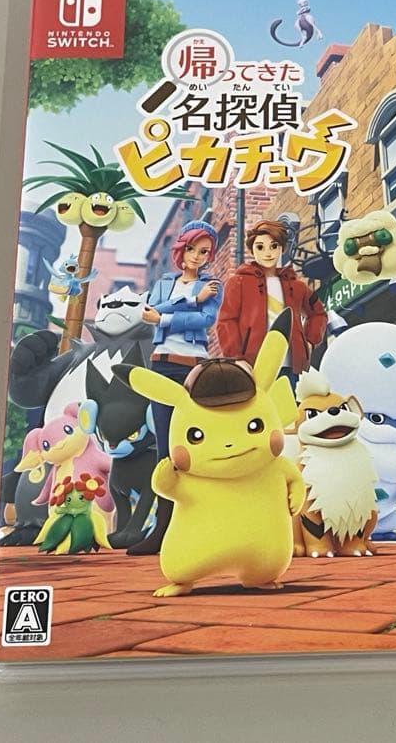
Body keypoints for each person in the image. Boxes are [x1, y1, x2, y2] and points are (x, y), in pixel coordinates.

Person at [129, 219, 222, 555]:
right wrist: (191, 300)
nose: (198, 257)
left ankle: (203, 524)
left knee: (197, 445)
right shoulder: (165, 282)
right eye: (193, 249)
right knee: (166, 450)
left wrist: (168, 317)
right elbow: (149, 312)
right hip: (162, 364)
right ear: (181, 249)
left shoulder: (212, 285)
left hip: (194, 367)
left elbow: (205, 321)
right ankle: (163, 528)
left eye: (205, 252)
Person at [216, 219, 326, 381]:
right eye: (260, 247)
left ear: (282, 248)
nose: (268, 253)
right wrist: (236, 358)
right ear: (252, 249)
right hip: (253, 366)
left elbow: (318, 313)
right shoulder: (238, 283)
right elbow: (226, 321)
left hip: (292, 368)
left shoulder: (297, 286)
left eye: (274, 246)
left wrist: (310, 341)